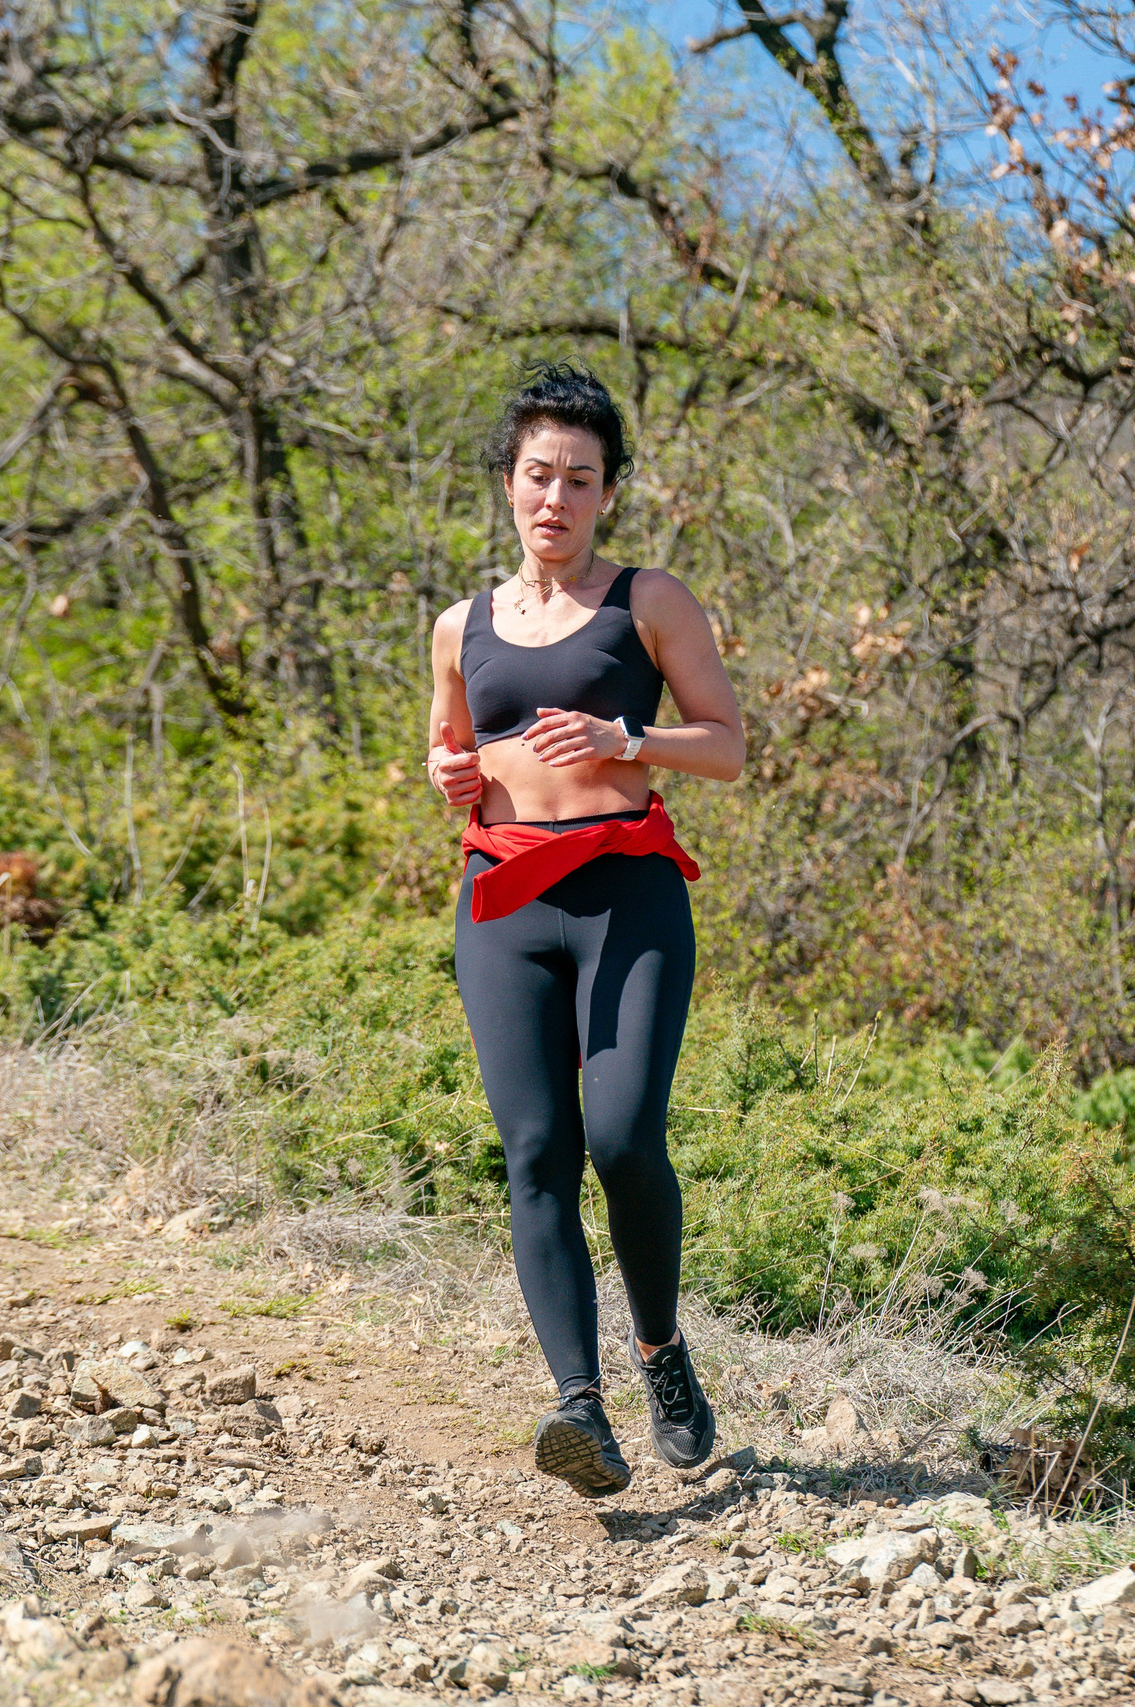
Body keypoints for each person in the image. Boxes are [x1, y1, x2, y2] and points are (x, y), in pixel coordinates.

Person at [425, 363, 747, 1497]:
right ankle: (580, 1412)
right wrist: (447, 772)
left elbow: (727, 746)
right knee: (535, 1154)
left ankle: (660, 1351)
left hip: (626, 893)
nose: (554, 498)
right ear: (507, 485)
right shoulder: (459, 623)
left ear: (606, 491)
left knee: (619, 1138)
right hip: (502, 902)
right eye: (536, 476)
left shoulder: (647, 602)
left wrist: (629, 739)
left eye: (579, 478)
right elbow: (449, 757)